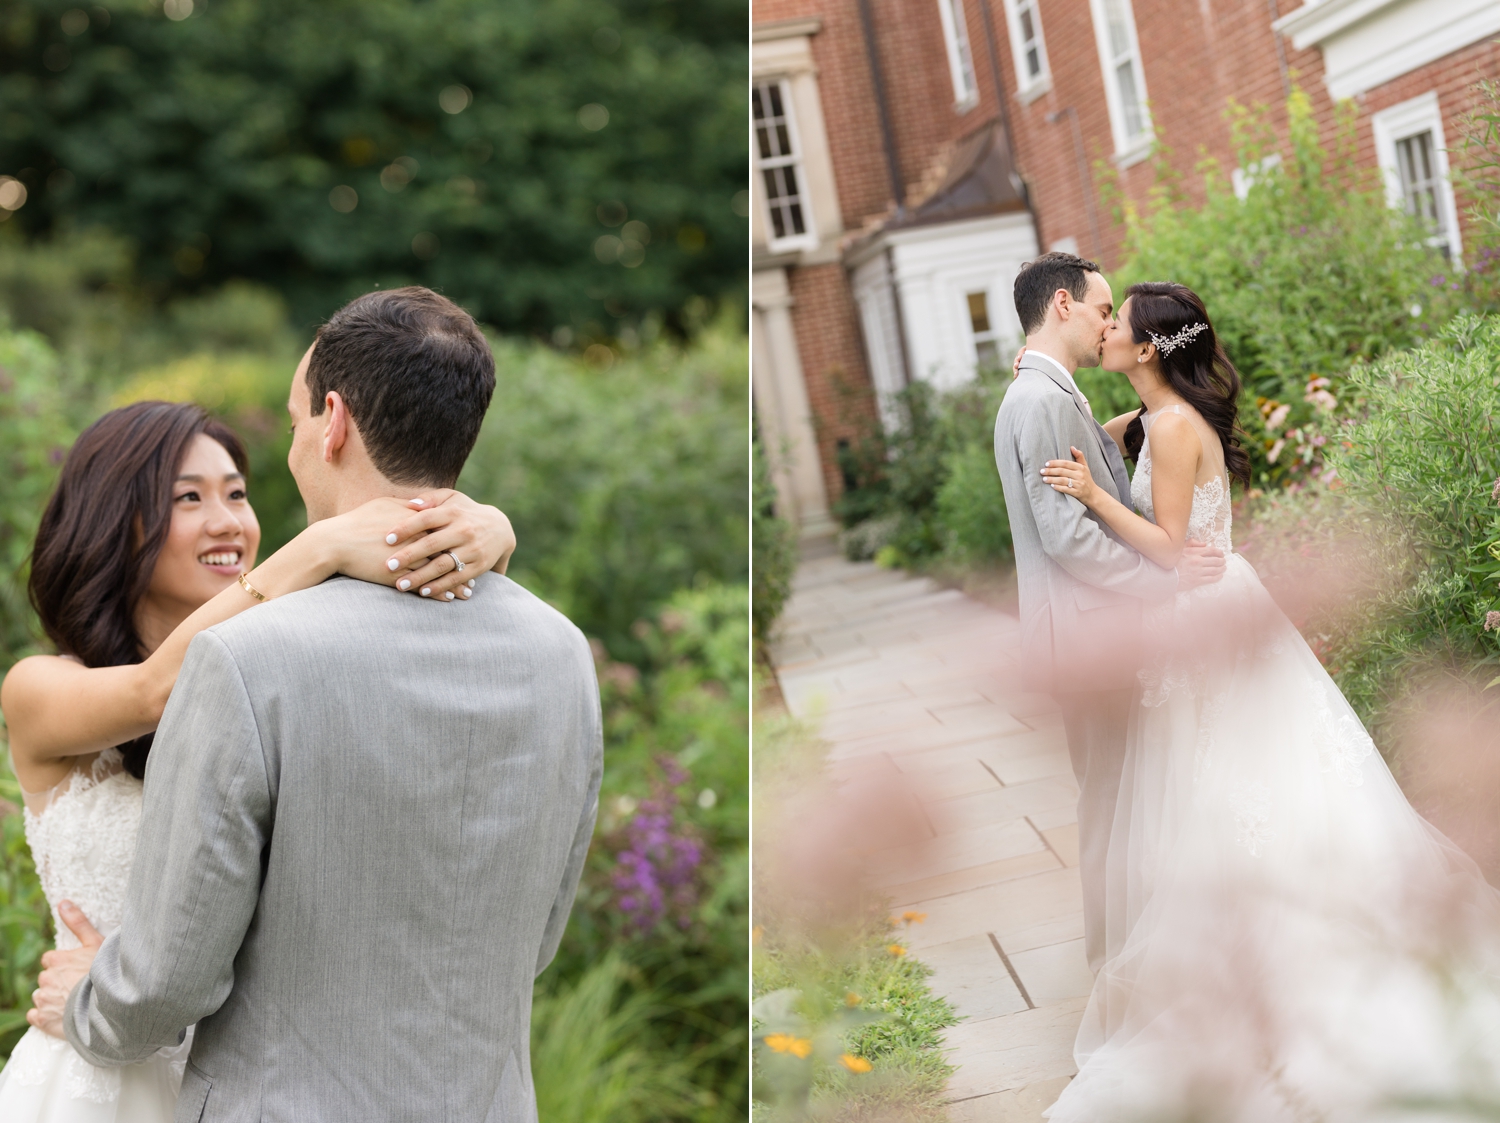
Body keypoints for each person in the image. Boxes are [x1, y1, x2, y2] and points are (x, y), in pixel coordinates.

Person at [18, 287, 601, 1123]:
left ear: (331, 422)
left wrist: (89, 1005)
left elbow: (165, 982)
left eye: (288, 428)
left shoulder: (250, 660)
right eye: (188, 497)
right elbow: (535, 938)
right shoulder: (561, 651)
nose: (229, 517)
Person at [1037, 281, 1500, 1120]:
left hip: (1207, 613)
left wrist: (1095, 497)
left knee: (1232, 789)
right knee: (1220, 791)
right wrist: (1086, 431)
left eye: (1119, 322)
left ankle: (1283, 971)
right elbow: (1114, 441)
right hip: (1213, 613)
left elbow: (1174, 551)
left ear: (1148, 349)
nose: (1106, 330)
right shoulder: (1150, 423)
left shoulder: (1175, 427)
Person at [993, 252, 1225, 975]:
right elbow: (1067, 538)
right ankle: (1110, 967)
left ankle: (1135, 953)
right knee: (1109, 807)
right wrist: (1167, 585)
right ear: (1063, 304)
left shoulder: (1052, 393)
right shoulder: (1038, 400)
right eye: (1101, 308)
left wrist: (1147, 419)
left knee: (1128, 801)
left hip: (1097, 635)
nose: (1105, 322)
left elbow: (1116, 448)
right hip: (1084, 637)